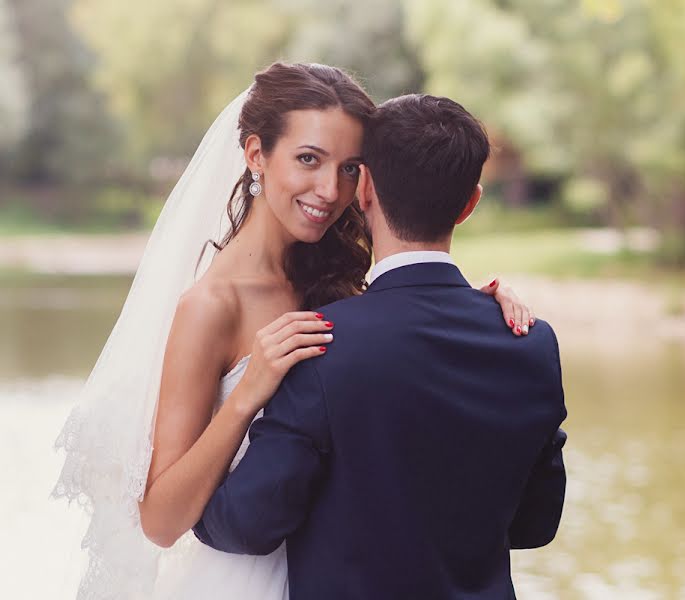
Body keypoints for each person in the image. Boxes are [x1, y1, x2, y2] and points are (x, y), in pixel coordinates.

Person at [52, 63, 534, 600]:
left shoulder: (344, 277)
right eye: (309, 159)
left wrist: (477, 309)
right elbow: (160, 521)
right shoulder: (213, 305)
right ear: (257, 155)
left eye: (351, 169)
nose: (330, 190)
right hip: (244, 577)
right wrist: (245, 397)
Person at [194, 93, 567, 599]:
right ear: (470, 203)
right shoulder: (531, 342)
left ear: (364, 186)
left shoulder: (319, 342)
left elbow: (247, 525)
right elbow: (534, 526)